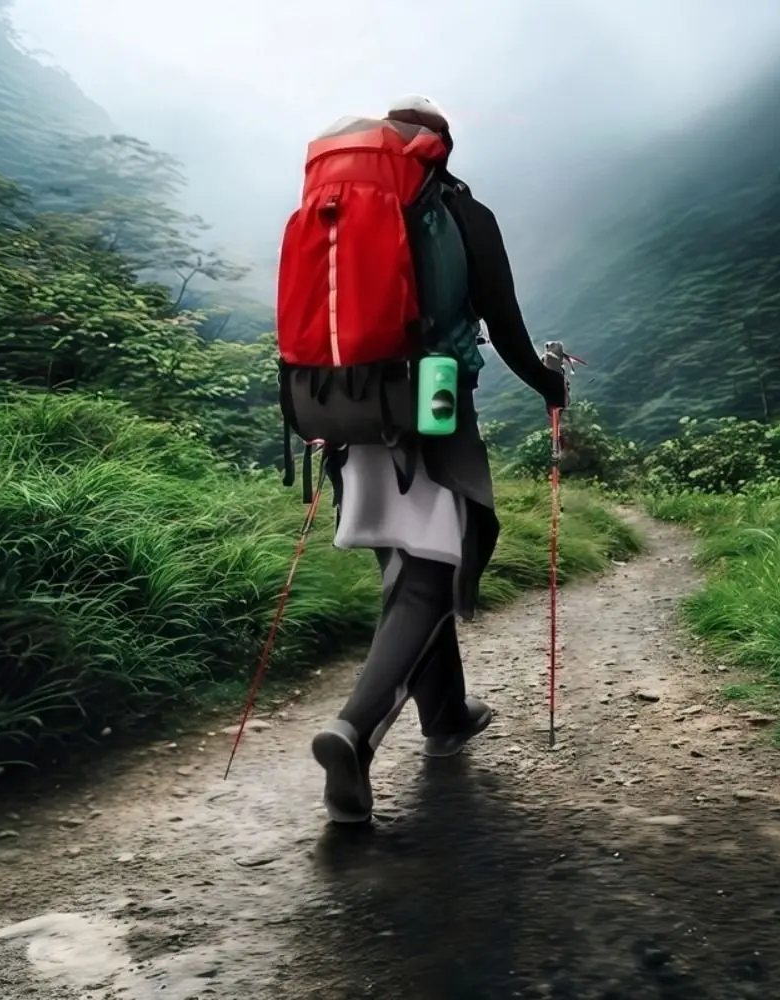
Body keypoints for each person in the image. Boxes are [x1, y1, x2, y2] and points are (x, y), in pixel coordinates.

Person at [304, 96, 568, 823]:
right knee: (428, 572)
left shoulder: (338, 206)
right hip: (432, 404)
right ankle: (353, 734)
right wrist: (551, 384)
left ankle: (445, 715)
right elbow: (508, 328)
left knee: (412, 560)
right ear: (442, 149)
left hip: (344, 402)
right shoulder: (463, 214)